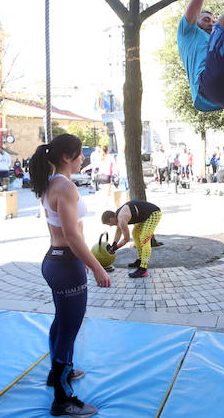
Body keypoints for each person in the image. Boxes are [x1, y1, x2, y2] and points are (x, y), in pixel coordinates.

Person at [28, 133, 110, 417]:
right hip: (65, 264)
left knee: (62, 322)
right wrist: (97, 266)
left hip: (57, 261)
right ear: (66, 157)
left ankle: (58, 373)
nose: (83, 159)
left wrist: (84, 261)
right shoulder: (65, 187)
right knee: (69, 329)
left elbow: (69, 232)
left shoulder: (51, 182)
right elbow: (73, 236)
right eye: (79, 155)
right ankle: (63, 399)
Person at [101, 199, 162, 278]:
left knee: (144, 238)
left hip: (153, 213)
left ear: (110, 219)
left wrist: (115, 248)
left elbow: (126, 239)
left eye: (109, 224)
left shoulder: (122, 219)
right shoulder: (118, 216)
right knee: (135, 234)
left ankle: (143, 269)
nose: (110, 225)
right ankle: (140, 260)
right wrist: (114, 244)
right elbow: (118, 232)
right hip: (145, 216)